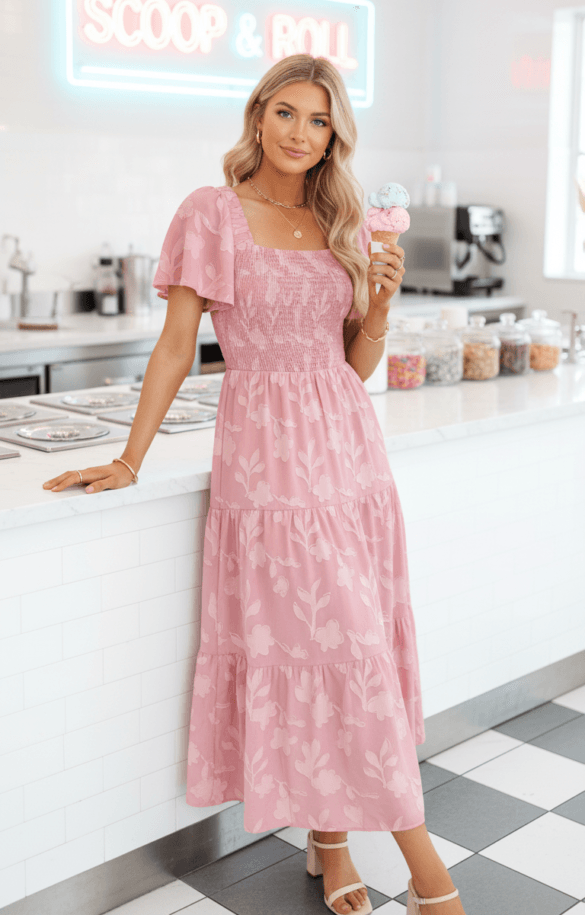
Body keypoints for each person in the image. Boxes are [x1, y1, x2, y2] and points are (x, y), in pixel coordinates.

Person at [42, 55, 465, 915]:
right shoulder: (212, 212)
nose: (299, 134)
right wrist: (131, 456)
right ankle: (431, 880)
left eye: (318, 121)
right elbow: (174, 346)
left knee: (353, 650)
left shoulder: (339, 218)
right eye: (285, 113)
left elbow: (354, 363)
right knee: (330, 648)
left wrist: (379, 307)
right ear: (257, 114)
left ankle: (330, 837)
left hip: (349, 457)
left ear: (333, 135)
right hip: (267, 459)